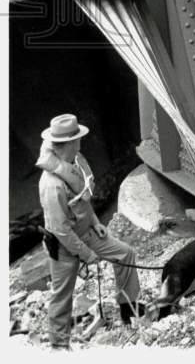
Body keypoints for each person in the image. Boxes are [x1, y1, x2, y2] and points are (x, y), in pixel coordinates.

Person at [37, 113, 144, 349]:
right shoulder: (52, 185)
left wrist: (96, 223)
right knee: (62, 295)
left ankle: (129, 310)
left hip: (87, 232)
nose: (80, 144)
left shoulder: (75, 163)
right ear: (66, 144)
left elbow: (83, 199)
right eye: (76, 140)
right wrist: (87, 254)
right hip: (65, 247)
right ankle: (59, 345)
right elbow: (61, 230)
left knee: (125, 254)